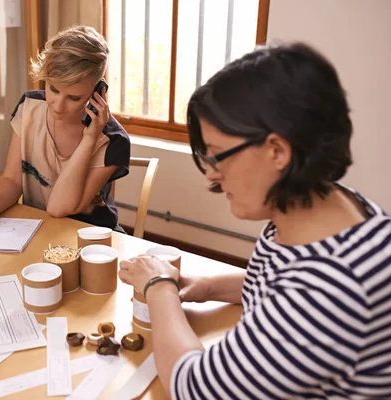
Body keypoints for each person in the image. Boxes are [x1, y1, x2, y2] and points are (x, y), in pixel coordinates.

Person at [119, 42, 391, 399]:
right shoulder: (327, 205)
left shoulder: (331, 288)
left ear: (277, 151)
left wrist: (159, 287)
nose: (212, 176)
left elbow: (191, 387)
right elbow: (275, 281)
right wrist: (210, 285)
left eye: (218, 156)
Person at [0, 26, 130, 233]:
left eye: (74, 97)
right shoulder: (30, 107)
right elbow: (12, 180)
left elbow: (59, 207)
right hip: (36, 229)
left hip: (90, 238)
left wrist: (89, 138)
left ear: (98, 92)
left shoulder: (112, 140)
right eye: (53, 89)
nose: (58, 105)